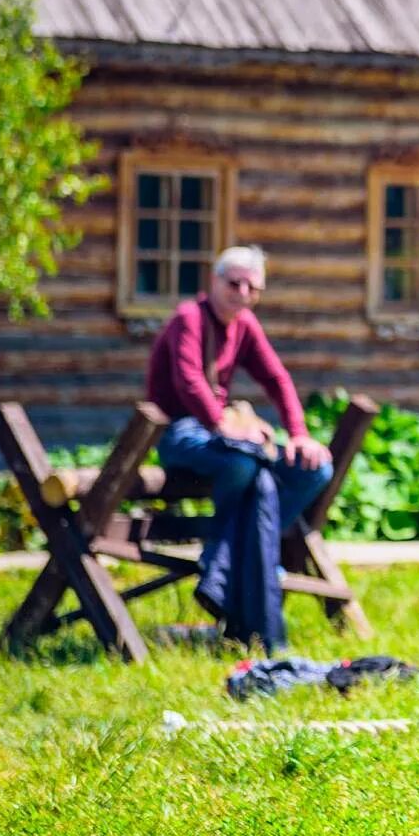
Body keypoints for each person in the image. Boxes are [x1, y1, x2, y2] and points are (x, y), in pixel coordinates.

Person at [145, 246, 333, 643]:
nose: (243, 293)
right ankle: (244, 559)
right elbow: (188, 381)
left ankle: (230, 557)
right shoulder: (189, 318)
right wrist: (222, 425)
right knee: (243, 464)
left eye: (254, 287)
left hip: (220, 435)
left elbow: (277, 379)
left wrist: (298, 434)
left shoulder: (245, 325)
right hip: (182, 432)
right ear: (214, 281)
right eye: (235, 283)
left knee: (316, 468)